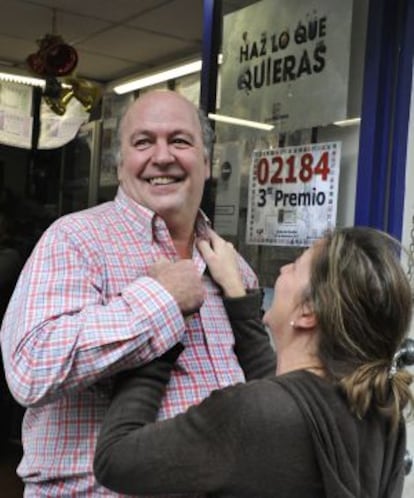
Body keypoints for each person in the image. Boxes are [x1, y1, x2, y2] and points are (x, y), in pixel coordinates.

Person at [0, 89, 274, 497]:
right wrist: (160, 302)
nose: (162, 156)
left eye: (179, 140)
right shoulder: (76, 239)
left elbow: (266, 388)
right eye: (143, 142)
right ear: (120, 163)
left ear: (206, 160)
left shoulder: (231, 266)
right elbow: (30, 368)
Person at [94, 226, 414, 498]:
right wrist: (235, 292)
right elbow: (286, 399)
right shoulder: (379, 411)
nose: (282, 270)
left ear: (308, 314)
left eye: (295, 265)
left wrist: (162, 323)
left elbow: (115, 459)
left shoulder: (252, 414)